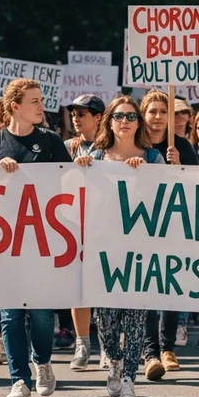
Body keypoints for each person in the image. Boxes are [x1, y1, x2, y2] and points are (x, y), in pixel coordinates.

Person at [0, 79, 88, 397]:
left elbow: (69, 183)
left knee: (41, 315)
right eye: (34, 101)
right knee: (11, 315)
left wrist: (81, 167)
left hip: (42, 244)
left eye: (41, 100)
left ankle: (42, 361)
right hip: (6, 246)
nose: (42, 107)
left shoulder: (50, 140)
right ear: (15, 106)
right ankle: (19, 380)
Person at [88, 96, 165, 397]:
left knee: (135, 316)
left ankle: (130, 378)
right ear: (109, 121)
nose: (124, 121)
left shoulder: (153, 158)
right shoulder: (93, 157)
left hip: (139, 247)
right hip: (102, 248)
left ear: (138, 122)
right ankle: (116, 362)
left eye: (131, 116)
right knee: (105, 319)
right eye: (118, 115)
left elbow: (164, 198)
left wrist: (144, 175)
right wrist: (81, 170)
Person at [139, 91, 199, 380]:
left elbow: (198, 186)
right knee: (148, 287)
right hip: (140, 225)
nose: (159, 117)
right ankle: (150, 352)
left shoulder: (182, 146)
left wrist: (178, 168)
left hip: (173, 224)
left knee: (169, 286)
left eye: (164, 111)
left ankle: (167, 347)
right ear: (144, 114)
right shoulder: (135, 145)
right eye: (153, 111)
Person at [65, 94, 106, 370]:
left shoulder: (109, 147)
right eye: (74, 114)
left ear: (98, 117)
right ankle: (82, 343)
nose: (76, 119)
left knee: (104, 287)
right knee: (76, 287)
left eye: (83, 114)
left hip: (104, 227)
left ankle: (107, 344)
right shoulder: (67, 147)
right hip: (74, 227)